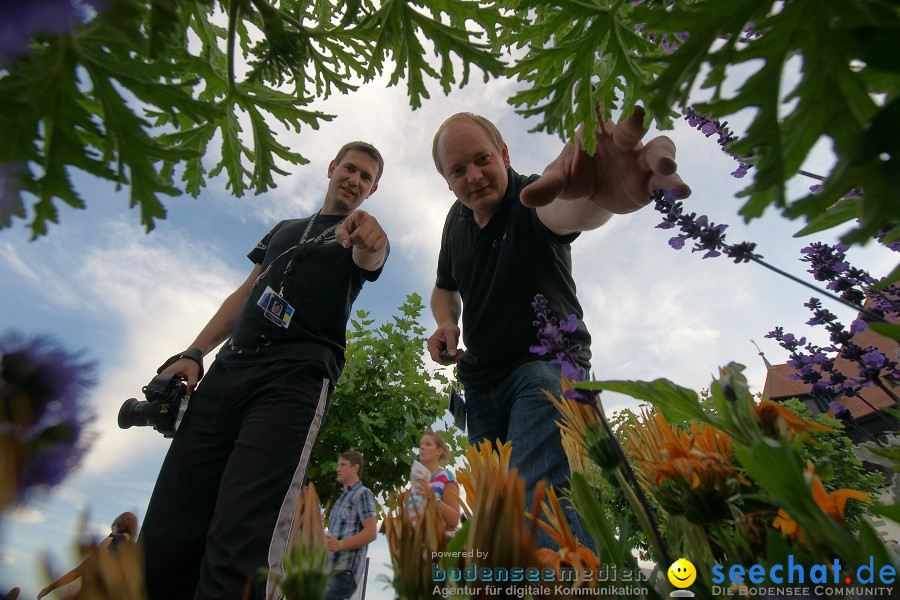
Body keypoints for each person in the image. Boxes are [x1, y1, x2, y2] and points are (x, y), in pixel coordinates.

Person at [426, 108, 690, 548]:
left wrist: (600, 195)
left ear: (504, 153)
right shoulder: (455, 222)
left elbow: (568, 210)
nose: (473, 176)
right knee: (496, 521)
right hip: (480, 384)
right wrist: (446, 322)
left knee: (538, 500)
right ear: (447, 180)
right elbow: (443, 288)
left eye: (482, 159)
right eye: (458, 170)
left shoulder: (533, 195)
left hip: (546, 367)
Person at [140, 141, 389, 600]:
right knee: (169, 524)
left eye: (366, 178)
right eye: (350, 169)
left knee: (244, 533)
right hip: (228, 369)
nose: (355, 180)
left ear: (373, 190)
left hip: (294, 379)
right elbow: (246, 292)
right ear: (332, 168)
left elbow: (370, 258)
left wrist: (373, 239)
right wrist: (194, 352)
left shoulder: (361, 232)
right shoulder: (285, 228)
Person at [38, 512, 138, 598]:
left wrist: (50, 588)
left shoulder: (112, 540)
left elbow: (79, 571)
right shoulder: (131, 550)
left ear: (117, 524)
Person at [324, 451, 377, 600]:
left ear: (355, 468)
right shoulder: (340, 501)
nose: (338, 469)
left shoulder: (363, 494)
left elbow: (371, 532)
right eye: (338, 465)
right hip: (328, 573)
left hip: (344, 573)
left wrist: (339, 545)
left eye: (343, 465)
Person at [407, 430, 460, 529]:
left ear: (439, 451)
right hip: (415, 543)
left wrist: (432, 499)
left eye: (428, 444)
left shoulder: (446, 477)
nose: (422, 447)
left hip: (439, 542)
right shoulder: (415, 484)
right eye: (421, 445)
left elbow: (454, 519)